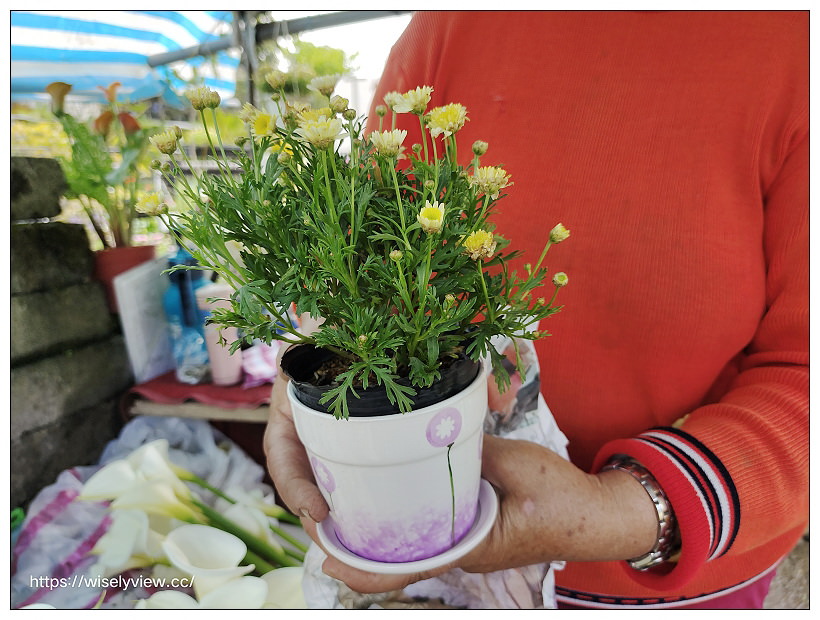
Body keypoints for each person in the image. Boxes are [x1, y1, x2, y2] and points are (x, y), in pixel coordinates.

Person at [265, 10, 808, 609]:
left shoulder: (792, 44)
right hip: (436, 578)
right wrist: (307, 390)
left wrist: (619, 511)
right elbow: (357, 271)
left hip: (678, 580)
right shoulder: (449, 28)